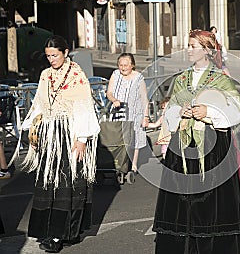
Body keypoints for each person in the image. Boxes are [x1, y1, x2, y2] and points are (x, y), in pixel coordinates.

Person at [152, 29, 240, 253]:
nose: (188, 50)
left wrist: (208, 111)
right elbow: (170, 111)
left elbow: (236, 111)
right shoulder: (182, 78)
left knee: (212, 201)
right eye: (189, 45)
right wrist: (179, 110)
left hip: (213, 147)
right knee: (181, 199)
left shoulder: (221, 79)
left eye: (193, 46)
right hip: (182, 146)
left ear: (207, 50)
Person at [9, 35, 100, 252]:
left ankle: (63, 233)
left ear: (65, 52)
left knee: (66, 185)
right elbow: (39, 103)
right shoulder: (45, 75)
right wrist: (33, 130)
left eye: (55, 55)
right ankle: (50, 230)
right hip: (50, 133)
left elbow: (84, 106)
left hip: (70, 132)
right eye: (48, 56)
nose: (51, 59)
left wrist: (82, 139)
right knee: (49, 183)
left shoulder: (76, 74)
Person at [106, 53, 149, 174]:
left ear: (132, 65)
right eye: (120, 65)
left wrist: (145, 117)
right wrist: (114, 100)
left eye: (126, 65)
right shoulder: (115, 74)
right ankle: (118, 163)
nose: (123, 68)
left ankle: (133, 165)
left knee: (135, 139)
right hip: (118, 111)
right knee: (117, 138)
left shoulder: (138, 77)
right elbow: (109, 92)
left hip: (135, 112)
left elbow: (144, 98)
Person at [147, 96, 171, 161]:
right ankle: (165, 164)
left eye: (167, 108)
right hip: (165, 139)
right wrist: (146, 124)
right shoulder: (162, 118)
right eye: (163, 109)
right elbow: (155, 125)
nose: (164, 110)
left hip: (172, 139)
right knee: (164, 154)